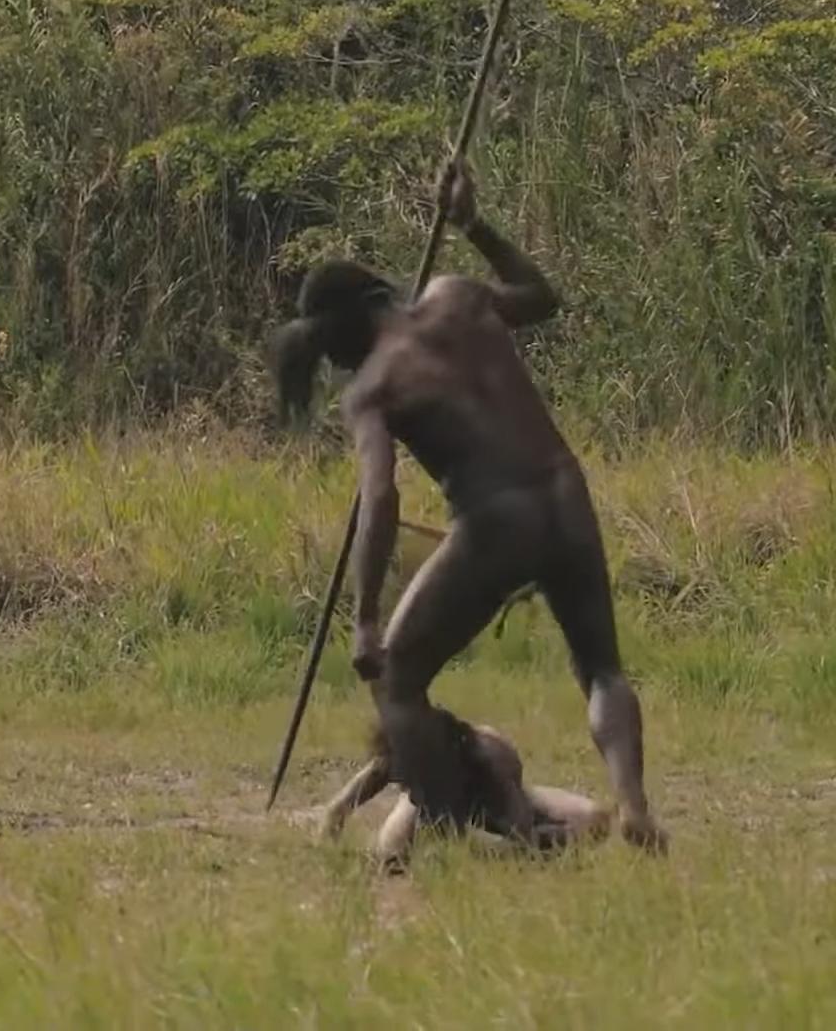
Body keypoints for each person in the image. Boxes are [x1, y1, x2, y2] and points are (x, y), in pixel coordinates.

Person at [270, 162, 665, 851]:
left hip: (493, 521)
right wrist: (474, 225)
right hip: (564, 492)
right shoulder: (458, 296)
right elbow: (542, 296)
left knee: (397, 679)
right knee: (600, 667)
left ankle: (449, 829)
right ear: (375, 292)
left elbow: (381, 498)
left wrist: (364, 620)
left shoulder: (370, 389)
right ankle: (632, 803)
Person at [320, 714, 611, 867]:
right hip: (430, 806)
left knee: (595, 819)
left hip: (493, 807)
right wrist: (335, 818)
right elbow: (349, 798)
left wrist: (475, 849)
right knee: (391, 853)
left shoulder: (491, 761)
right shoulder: (408, 754)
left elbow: (521, 834)